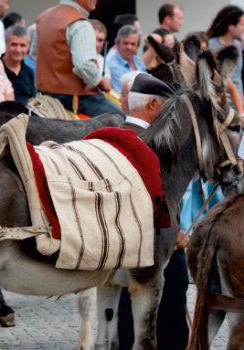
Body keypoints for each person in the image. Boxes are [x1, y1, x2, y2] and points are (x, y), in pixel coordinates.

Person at [118, 71, 190, 350]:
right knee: (170, 323)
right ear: (152, 106)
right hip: (155, 248)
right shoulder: (155, 143)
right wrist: (177, 234)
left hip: (118, 251)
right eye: (167, 108)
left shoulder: (112, 134)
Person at [36, 0, 121, 117]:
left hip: (44, 95)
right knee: (121, 118)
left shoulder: (42, 18)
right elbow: (84, 66)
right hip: (74, 99)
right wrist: (101, 82)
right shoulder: (81, 25)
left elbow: (35, 54)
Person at [207, 5, 244, 115]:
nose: (243, 28)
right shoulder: (212, 46)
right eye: (241, 24)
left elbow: (238, 77)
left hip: (239, 106)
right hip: (223, 108)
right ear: (231, 27)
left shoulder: (237, 45)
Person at [1, 25, 35, 105]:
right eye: (14, 45)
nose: (18, 50)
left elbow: (31, 100)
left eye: (22, 45)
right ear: (6, 44)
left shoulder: (29, 72)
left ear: (28, 47)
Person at [107, 25, 146, 93]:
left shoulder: (138, 60)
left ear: (137, 46)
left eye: (133, 44)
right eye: (126, 43)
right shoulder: (112, 65)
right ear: (118, 44)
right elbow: (123, 95)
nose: (129, 47)